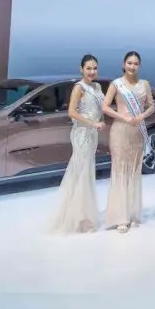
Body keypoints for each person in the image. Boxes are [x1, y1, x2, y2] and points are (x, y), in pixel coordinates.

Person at [48, 54, 106, 234]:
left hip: (93, 133)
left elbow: (100, 109)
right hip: (81, 134)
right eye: (88, 68)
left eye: (94, 68)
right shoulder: (79, 88)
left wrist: (101, 121)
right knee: (80, 171)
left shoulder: (97, 87)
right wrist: (92, 123)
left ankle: (84, 215)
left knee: (87, 172)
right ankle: (74, 218)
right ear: (81, 69)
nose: (92, 72)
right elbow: (72, 112)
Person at [101, 51, 155, 233]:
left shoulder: (144, 84)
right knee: (120, 171)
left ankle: (131, 213)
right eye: (129, 63)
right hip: (120, 131)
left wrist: (142, 115)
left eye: (136, 63)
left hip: (137, 131)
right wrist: (122, 116)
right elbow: (105, 106)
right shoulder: (116, 84)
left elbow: (152, 105)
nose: (132, 66)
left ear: (139, 65)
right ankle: (120, 218)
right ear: (124, 64)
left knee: (134, 171)